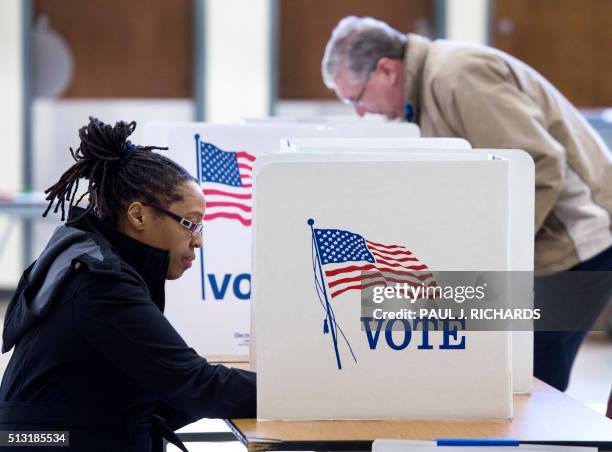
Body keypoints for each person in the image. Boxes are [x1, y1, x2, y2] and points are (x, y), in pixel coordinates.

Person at [322, 16, 612, 392]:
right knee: (503, 374)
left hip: (578, 241)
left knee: (530, 382)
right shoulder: (428, 87)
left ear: (387, 70)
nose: (361, 112)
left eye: (355, 98)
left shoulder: (458, 76)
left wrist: (491, 259)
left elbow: (539, 165)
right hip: (546, 245)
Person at [0, 118, 256, 451]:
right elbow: (195, 384)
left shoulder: (88, 259)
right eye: (190, 224)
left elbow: (167, 389)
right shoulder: (101, 284)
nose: (198, 242)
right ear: (138, 216)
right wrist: (299, 392)